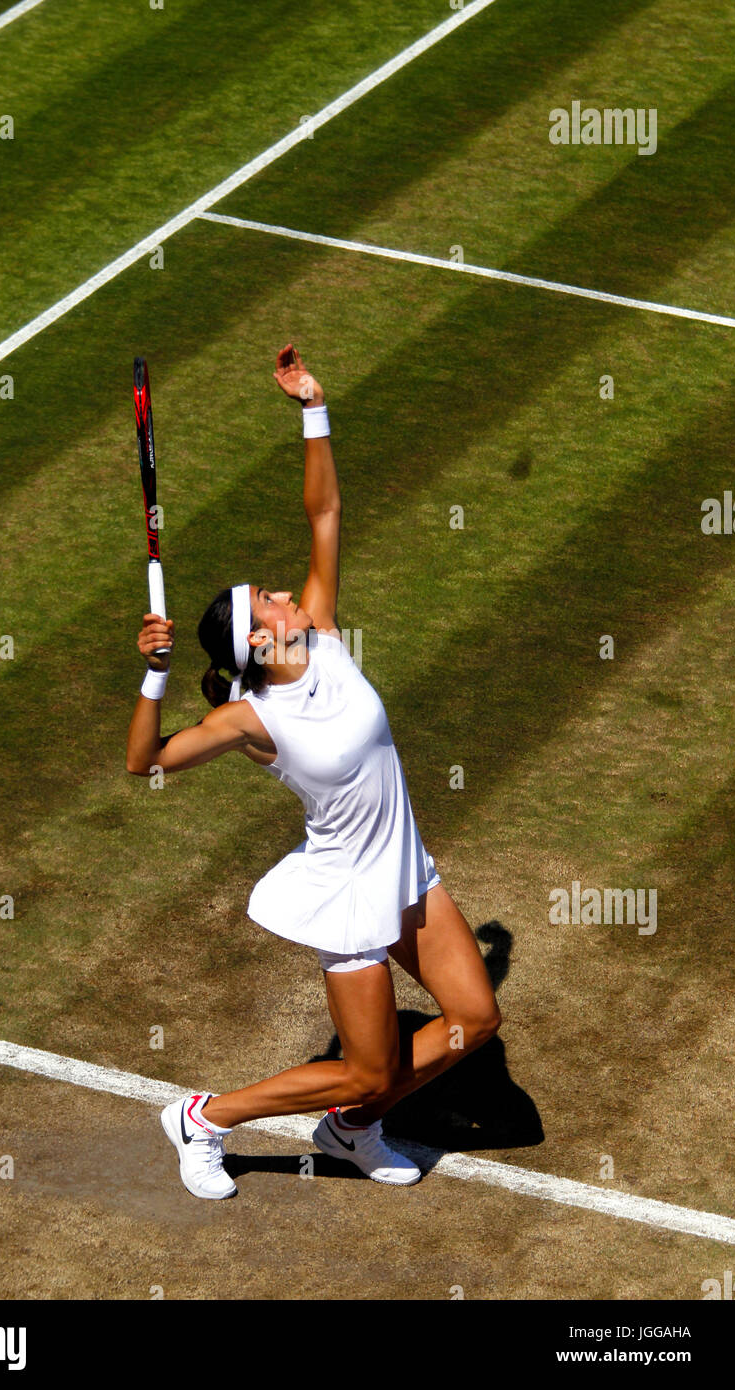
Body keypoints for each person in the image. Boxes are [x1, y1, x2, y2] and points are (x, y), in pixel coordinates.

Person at [126, 345, 502, 1200]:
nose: (288, 598)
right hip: (348, 897)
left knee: (474, 1021)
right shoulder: (253, 721)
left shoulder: (324, 634)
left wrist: (312, 408)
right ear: (259, 642)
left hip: (405, 865)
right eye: (269, 602)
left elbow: (325, 511)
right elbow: (145, 760)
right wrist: (152, 677)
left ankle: (351, 1130)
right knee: (366, 1069)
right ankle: (206, 1117)